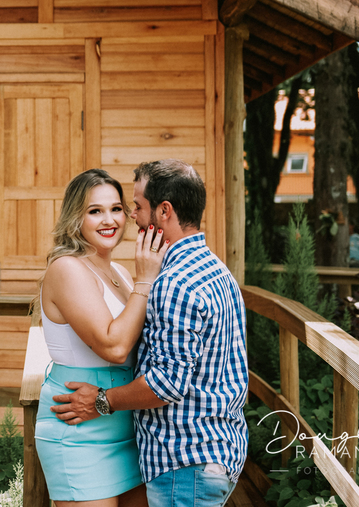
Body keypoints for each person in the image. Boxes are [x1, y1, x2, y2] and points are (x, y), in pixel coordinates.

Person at [51, 159, 248, 507]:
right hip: (200, 450)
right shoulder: (215, 269)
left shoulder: (169, 281)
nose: (129, 216)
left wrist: (102, 400)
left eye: (133, 207)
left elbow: (166, 383)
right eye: (96, 210)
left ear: (164, 211)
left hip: (184, 456)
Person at [33, 168, 167, 507]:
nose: (109, 220)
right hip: (79, 430)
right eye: (95, 211)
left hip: (125, 423)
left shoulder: (119, 272)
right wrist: (146, 279)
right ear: (75, 217)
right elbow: (115, 347)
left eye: (116, 208)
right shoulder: (67, 268)